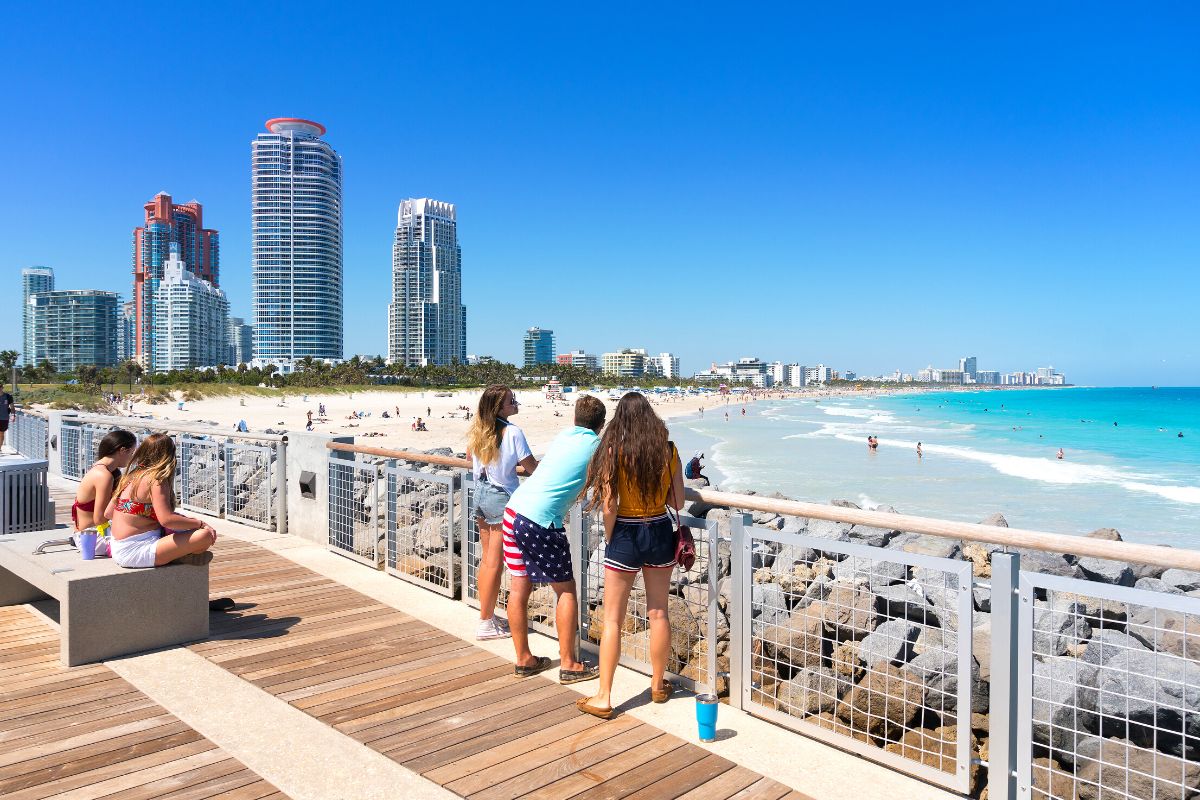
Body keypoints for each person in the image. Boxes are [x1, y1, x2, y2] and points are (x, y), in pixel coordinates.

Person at [577, 392, 684, 719]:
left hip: (625, 531)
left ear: (619, 419)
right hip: (658, 531)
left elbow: (609, 505)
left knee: (612, 619)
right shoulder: (666, 450)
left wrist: (611, 537)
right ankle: (657, 684)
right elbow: (677, 502)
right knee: (658, 614)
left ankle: (605, 696)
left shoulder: (612, 451)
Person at [503, 395, 607, 681]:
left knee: (519, 584)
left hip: (514, 511)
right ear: (601, 424)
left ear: (575, 419)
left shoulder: (564, 436)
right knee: (566, 590)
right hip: (541, 521)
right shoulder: (598, 446)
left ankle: (524, 660)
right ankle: (569, 664)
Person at [467, 385, 537, 640]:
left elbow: (469, 459)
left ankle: (487, 615)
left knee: (488, 560)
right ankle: (485, 622)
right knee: (494, 564)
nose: (515, 402)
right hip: (500, 497)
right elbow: (530, 468)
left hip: (481, 492)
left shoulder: (479, 430)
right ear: (499, 407)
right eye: (511, 400)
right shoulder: (514, 432)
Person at [104, 434, 217, 569]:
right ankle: (178, 556)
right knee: (205, 536)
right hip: (136, 551)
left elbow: (108, 513)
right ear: (168, 456)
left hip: (118, 546)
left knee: (189, 532)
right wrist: (200, 523)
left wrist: (142, 515)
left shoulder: (130, 477)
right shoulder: (156, 479)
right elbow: (167, 520)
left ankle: (178, 554)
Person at [72, 430, 136, 532]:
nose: (132, 458)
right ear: (122, 450)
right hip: (91, 537)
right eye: (132, 453)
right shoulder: (104, 476)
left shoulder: (101, 469)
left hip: (88, 533)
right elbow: (100, 519)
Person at [0, 387, 12, 453]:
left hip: (4, 418)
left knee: (1, 433)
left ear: (2, 388)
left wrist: (13, 415)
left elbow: (12, 407)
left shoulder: (8, 396)